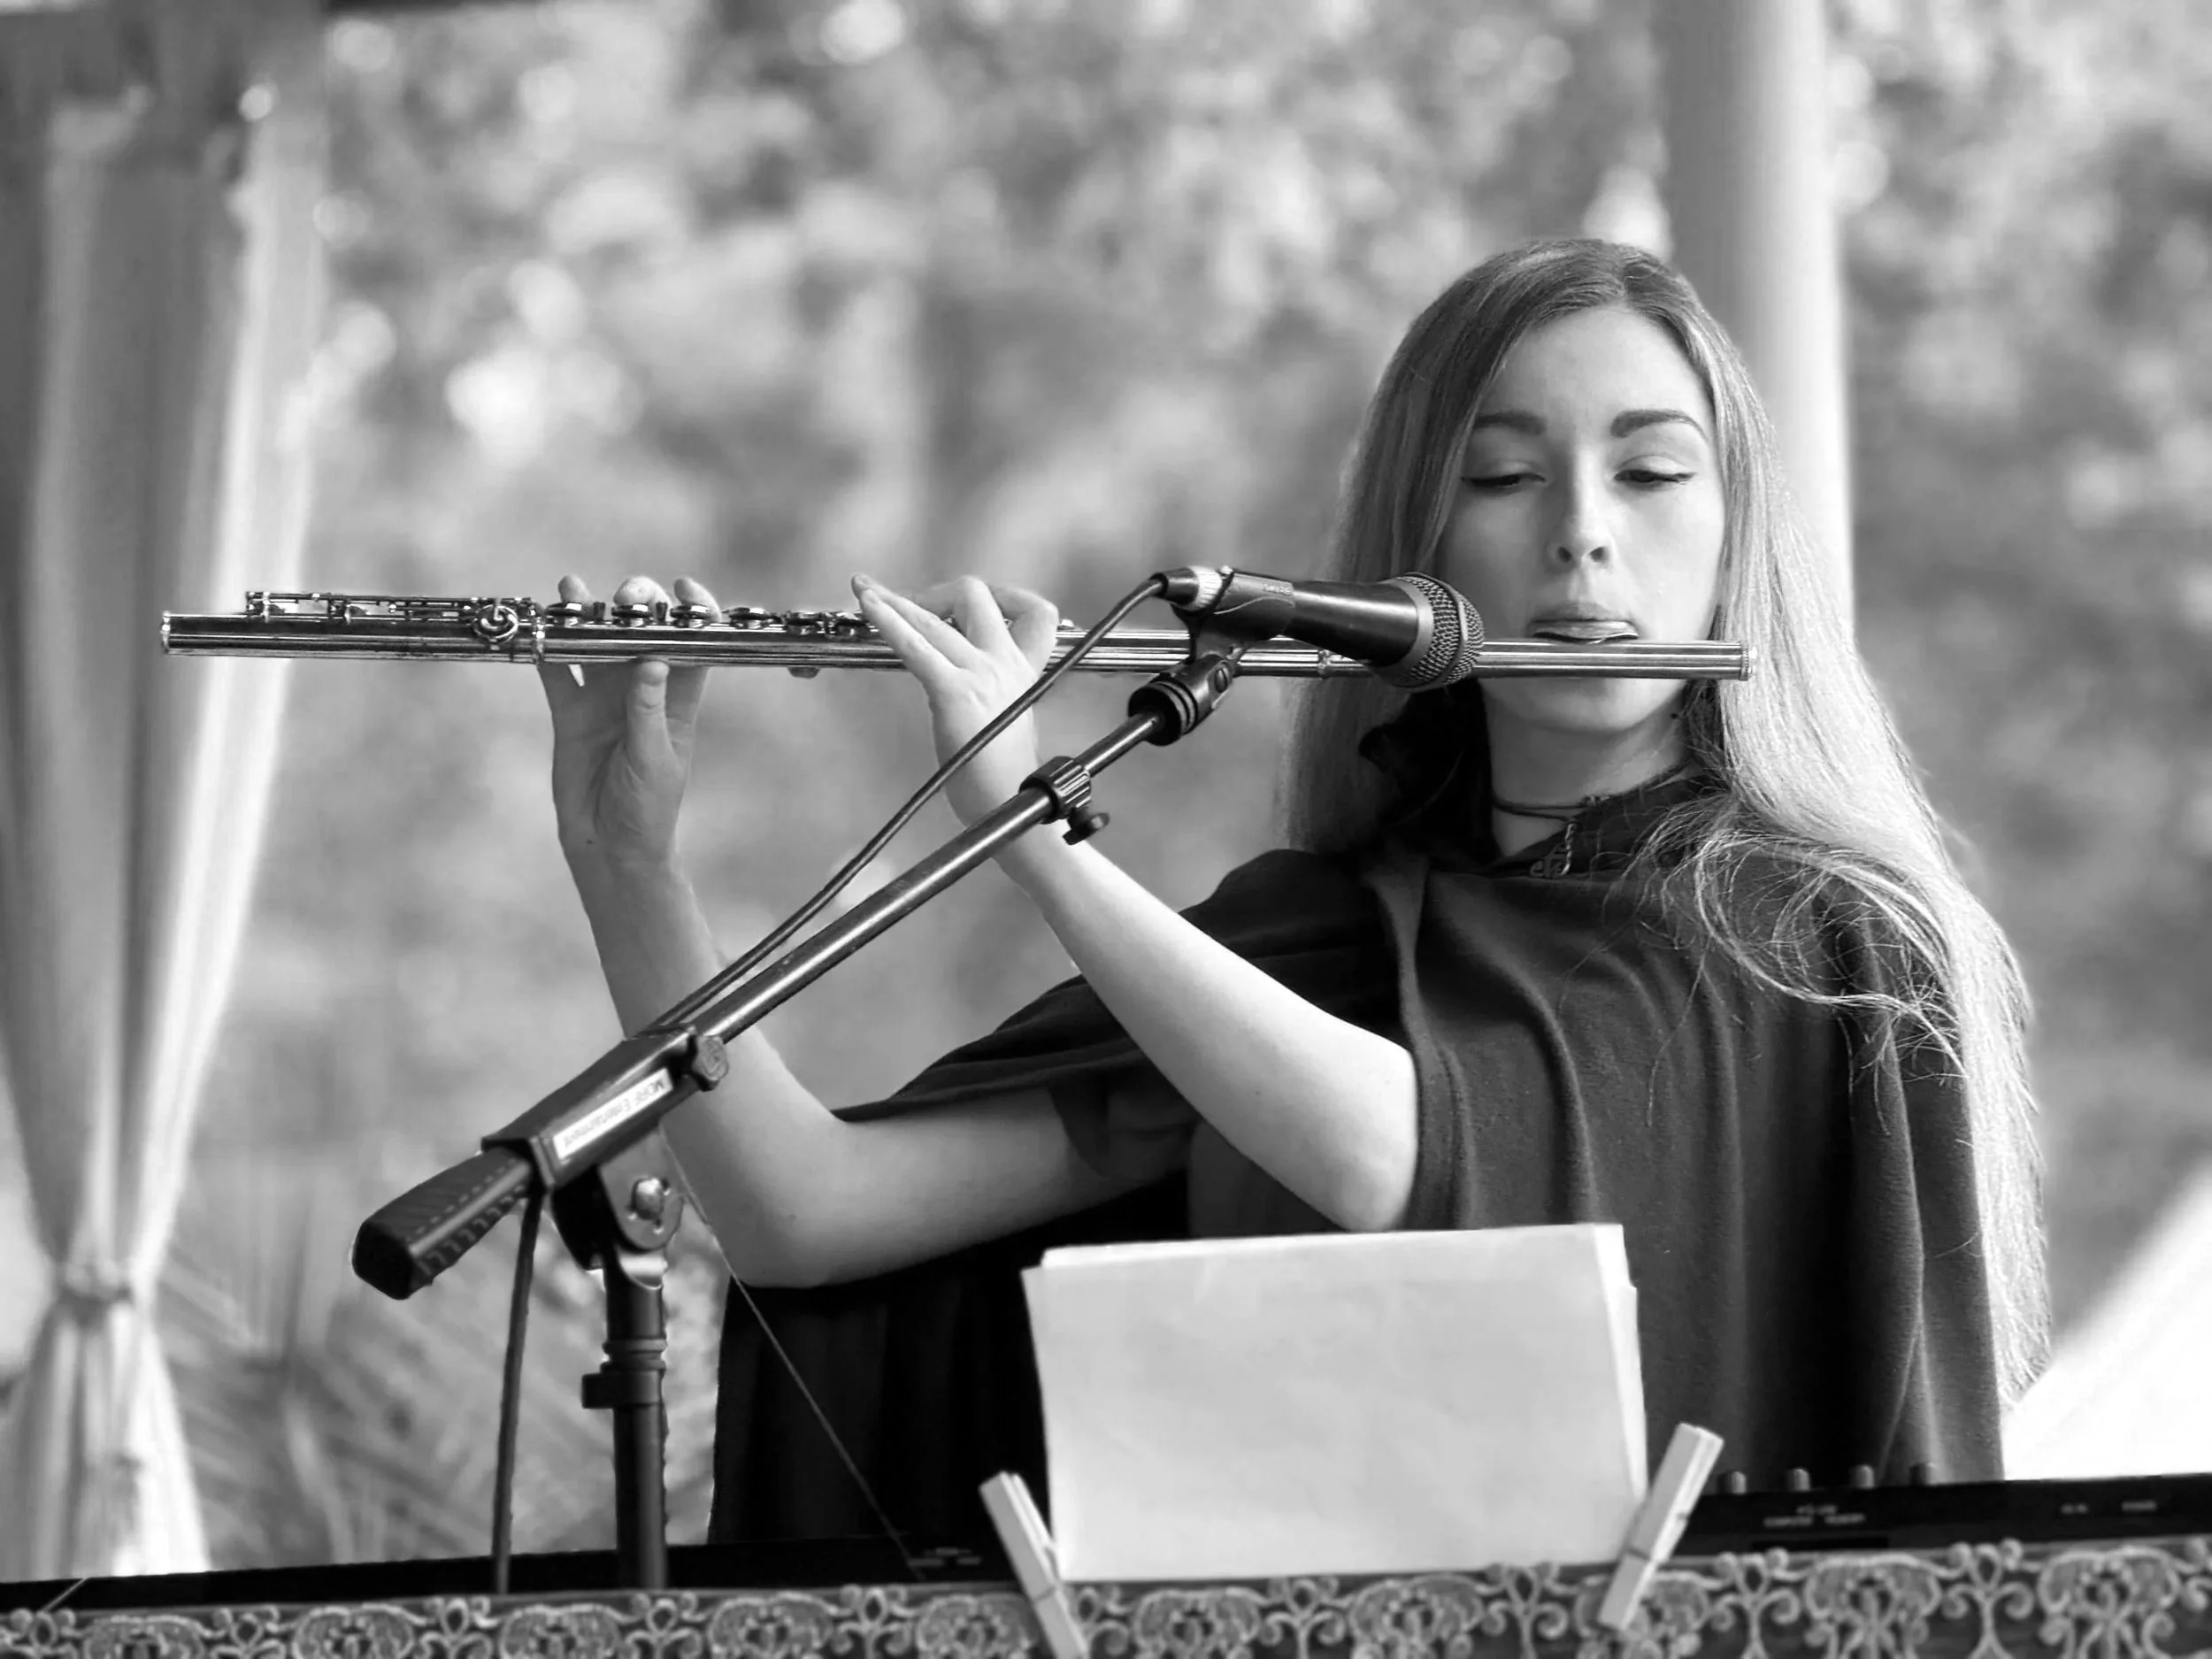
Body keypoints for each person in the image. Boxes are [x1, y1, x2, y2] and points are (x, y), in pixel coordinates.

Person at [540, 238, 2047, 1543]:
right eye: (1504, 474)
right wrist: (629, 861)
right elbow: (807, 1211)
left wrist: (1032, 827)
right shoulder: (1323, 938)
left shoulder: (1807, 928)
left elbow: (1411, 1155)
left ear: (1734, 539)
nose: (1583, 529)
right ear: (1421, 547)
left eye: (1652, 471)